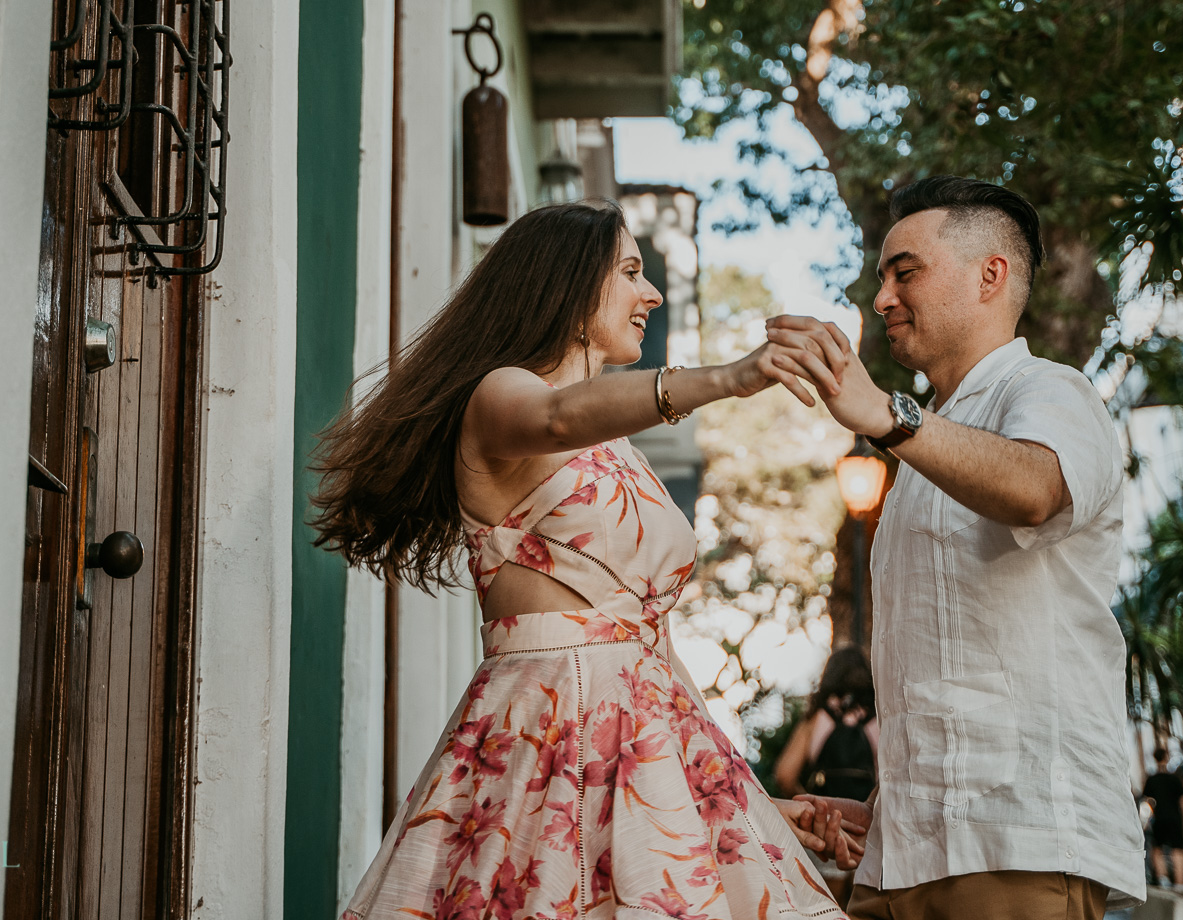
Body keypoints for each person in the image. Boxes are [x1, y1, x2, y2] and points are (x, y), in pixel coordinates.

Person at [312, 201, 858, 920]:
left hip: (649, 745)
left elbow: (649, 642)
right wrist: (728, 378)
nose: (652, 294)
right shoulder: (500, 396)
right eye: (632, 272)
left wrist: (746, 796)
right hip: (545, 742)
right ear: (568, 290)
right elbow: (557, 418)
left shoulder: (621, 448)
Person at [762, 176, 1146, 920]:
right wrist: (886, 807)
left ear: (989, 275)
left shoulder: (1050, 390)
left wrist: (883, 413)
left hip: (1020, 846)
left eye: (905, 272)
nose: (882, 300)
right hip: (900, 858)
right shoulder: (924, 452)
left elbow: (1038, 486)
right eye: (881, 279)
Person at [775, 646, 881, 802]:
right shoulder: (878, 719)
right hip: (868, 822)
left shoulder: (817, 717)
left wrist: (812, 807)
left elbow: (785, 776)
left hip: (825, 821)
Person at [1141, 747, 1183, 888]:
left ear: (1155, 758)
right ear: (1166, 758)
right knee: (1177, 850)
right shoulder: (1174, 779)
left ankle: (1163, 879)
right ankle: (1180, 883)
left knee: (1157, 848)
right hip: (1175, 818)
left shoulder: (1152, 780)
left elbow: (1148, 801)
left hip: (1159, 818)